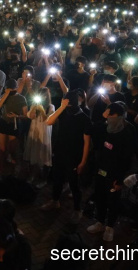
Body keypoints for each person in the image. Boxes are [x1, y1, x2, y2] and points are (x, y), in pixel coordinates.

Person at [86, 103, 134, 242]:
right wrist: (102, 118)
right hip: (101, 170)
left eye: (111, 115)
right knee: (100, 196)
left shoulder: (126, 132)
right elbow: (91, 129)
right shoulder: (105, 129)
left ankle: (110, 227)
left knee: (113, 200)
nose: (109, 118)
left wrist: (119, 180)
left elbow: (127, 159)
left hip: (115, 174)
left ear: (119, 116)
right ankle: (100, 222)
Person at [42, 91, 91, 225]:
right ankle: (55, 201)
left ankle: (77, 209)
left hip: (74, 156)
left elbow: (87, 142)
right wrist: (62, 107)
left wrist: (83, 161)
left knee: (74, 184)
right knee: (57, 178)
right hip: (59, 152)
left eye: (66, 102)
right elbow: (49, 121)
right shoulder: (64, 112)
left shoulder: (84, 118)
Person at [0, 79, 28, 178]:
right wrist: (6, 94)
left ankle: (13, 168)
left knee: (12, 148)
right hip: (3, 123)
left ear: (16, 88)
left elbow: (26, 116)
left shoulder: (22, 98)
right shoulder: (5, 96)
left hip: (14, 124)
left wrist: (16, 116)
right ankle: (0, 169)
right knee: (2, 148)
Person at [24, 88, 54, 188]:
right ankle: (31, 175)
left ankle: (44, 178)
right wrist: (33, 108)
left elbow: (47, 120)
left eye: (44, 95)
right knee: (33, 152)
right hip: (34, 131)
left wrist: (42, 110)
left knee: (44, 154)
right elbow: (30, 116)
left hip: (44, 132)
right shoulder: (34, 105)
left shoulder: (51, 107)